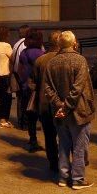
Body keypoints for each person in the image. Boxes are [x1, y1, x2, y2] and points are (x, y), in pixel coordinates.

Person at [42, 31, 96, 189]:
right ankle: (78, 179)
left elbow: (48, 88)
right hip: (79, 110)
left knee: (63, 145)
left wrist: (59, 106)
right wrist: (66, 106)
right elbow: (78, 88)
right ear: (74, 43)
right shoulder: (80, 60)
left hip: (59, 112)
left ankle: (63, 177)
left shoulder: (51, 62)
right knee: (79, 146)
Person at [32, 31, 61, 175]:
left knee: (49, 136)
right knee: (64, 135)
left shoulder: (40, 60)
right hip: (62, 105)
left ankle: (53, 163)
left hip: (44, 104)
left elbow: (33, 83)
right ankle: (64, 163)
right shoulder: (65, 59)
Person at [18, 28, 45, 152]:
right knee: (42, 116)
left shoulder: (24, 52)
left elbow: (21, 71)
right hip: (37, 90)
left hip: (26, 89)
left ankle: (32, 139)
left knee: (31, 118)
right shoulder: (38, 53)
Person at [0, 26, 14, 128]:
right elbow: (13, 58)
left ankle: (0, 118)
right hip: (5, 74)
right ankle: (3, 120)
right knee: (6, 98)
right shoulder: (6, 45)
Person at [11, 24, 31, 129]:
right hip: (23, 75)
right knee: (25, 99)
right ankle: (24, 122)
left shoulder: (17, 43)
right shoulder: (25, 44)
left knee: (20, 99)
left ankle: (21, 121)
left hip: (17, 74)